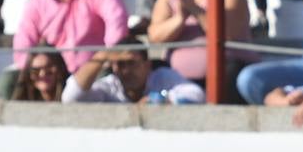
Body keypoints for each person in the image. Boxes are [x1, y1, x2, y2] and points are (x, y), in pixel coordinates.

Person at [63, 39, 206, 103]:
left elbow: (197, 95)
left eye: (131, 63)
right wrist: (102, 56)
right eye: (120, 64)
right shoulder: (110, 85)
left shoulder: (162, 76)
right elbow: (70, 98)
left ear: (147, 65)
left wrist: (161, 100)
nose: (126, 71)